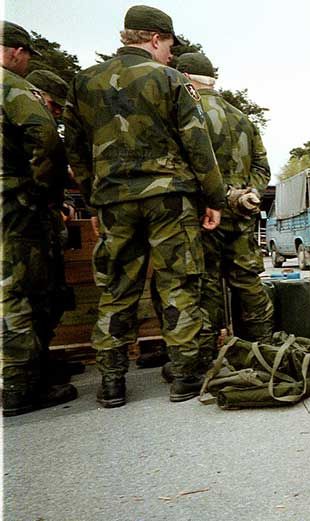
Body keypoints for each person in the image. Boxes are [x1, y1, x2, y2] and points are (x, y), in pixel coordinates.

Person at [63, 5, 226, 407]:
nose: (171, 53)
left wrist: (94, 197)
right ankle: (185, 377)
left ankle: (112, 382)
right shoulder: (169, 79)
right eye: (169, 45)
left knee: (116, 288)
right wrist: (213, 198)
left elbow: (75, 149)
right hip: (169, 198)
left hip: (113, 200)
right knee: (178, 283)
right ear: (155, 39)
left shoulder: (83, 83)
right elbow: (197, 144)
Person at [0, 21, 78, 416]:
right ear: (16, 51)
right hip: (15, 206)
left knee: (25, 288)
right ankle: (17, 386)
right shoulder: (12, 87)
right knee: (17, 291)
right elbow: (45, 138)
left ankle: (32, 370)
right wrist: (46, 191)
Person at [174, 52, 274, 355]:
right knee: (248, 281)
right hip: (242, 217)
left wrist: (214, 198)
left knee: (206, 286)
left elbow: (181, 166)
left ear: (186, 79)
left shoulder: (186, 113)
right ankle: (265, 349)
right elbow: (262, 168)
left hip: (205, 215)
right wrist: (246, 195)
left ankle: (205, 358)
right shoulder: (242, 118)